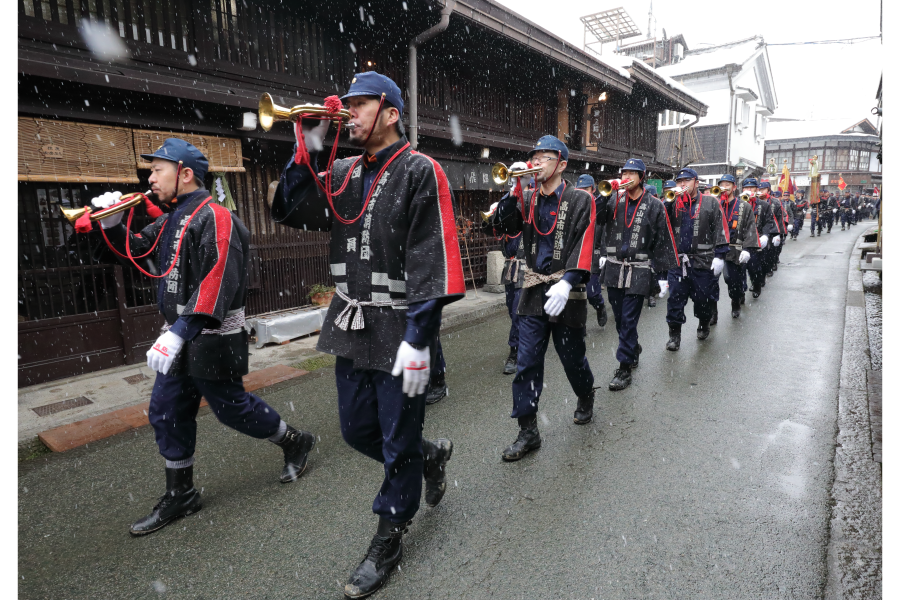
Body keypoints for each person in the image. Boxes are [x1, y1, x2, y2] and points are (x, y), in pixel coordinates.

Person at [271, 72, 462, 598]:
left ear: (391, 111)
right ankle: (431, 455)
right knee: (357, 430)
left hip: (402, 325)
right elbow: (289, 206)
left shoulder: (422, 171)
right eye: (346, 106)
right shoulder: (343, 170)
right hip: (352, 320)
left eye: (358, 106)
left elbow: (432, 259)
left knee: (396, 439)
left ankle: (389, 534)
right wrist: (309, 137)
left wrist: (420, 338)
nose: (348, 114)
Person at [82, 139, 316, 536]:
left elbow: (219, 279)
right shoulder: (174, 217)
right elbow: (139, 250)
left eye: (158, 169)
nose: (150, 177)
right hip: (179, 334)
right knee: (167, 410)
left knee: (231, 408)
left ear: (185, 174)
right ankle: (182, 493)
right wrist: (112, 225)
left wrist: (179, 331)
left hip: (212, 333)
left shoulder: (217, 217)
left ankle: (295, 440)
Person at [488, 135, 595, 461]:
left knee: (572, 358)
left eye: (544, 158)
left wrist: (569, 282)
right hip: (532, 291)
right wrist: (511, 192)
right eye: (533, 157)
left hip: (567, 291)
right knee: (527, 362)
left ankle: (585, 394)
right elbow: (502, 224)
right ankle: (527, 430)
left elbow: (586, 241)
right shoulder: (528, 196)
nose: (536, 163)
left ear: (561, 164)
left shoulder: (580, 200)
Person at [594, 158, 678, 390]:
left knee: (629, 319)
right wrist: (602, 197)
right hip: (613, 267)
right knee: (620, 319)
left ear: (642, 177)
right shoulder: (612, 199)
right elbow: (597, 220)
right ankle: (633, 347)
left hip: (639, 268)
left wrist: (662, 276)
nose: (627, 177)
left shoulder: (654, 205)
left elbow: (663, 241)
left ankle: (623, 368)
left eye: (633, 173)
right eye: (624, 172)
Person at [662, 168, 728, 350]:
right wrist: (669, 200)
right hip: (678, 262)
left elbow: (720, 228)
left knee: (703, 299)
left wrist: (720, 256)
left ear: (696, 183)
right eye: (679, 181)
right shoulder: (673, 202)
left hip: (703, 260)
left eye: (687, 181)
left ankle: (704, 323)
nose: (683, 184)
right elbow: (661, 222)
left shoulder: (710, 202)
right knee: (675, 299)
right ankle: (674, 335)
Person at [717, 174, 760, 318]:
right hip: (716, 250)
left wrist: (747, 249)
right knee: (709, 282)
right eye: (722, 184)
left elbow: (750, 228)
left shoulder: (744, 206)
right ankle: (711, 313)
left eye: (728, 184)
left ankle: (735, 301)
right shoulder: (714, 204)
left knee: (732, 279)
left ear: (734, 187)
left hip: (735, 249)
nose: (725, 187)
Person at [577, 174, 608, 328]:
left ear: (593, 189)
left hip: (593, 255)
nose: (584, 192)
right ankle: (579, 325)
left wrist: (604, 253)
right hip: (576, 256)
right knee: (576, 295)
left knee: (592, 292)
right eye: (581, 189)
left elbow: (604, 234)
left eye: (586, 189)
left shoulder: (599, 208)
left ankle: (600, 306)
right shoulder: (574, 207)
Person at [740, 178, 776, 299]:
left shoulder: (764, 205)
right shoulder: (737, 203)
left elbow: (769, 222)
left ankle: (756, 285)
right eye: (746, 188)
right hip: (740, 241)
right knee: (739, 268)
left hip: (757, 240)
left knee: (754, 267)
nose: (748, 190)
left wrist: (766, 235)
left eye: (751, 188)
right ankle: (739, 293)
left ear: (756, 190)